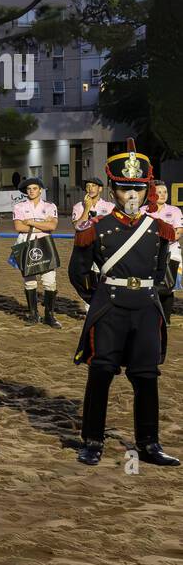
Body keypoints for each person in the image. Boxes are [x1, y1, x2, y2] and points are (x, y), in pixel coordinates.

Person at [69, 142, 179, 468]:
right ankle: (91, 441)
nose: (131, 195)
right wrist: (100, 298)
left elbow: (162, 273)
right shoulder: (96, 228)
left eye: (137, 188)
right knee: (101, 373)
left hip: (145, 309)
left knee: (146, 376)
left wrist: (146, 295)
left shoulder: (159, 230)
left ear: (147, 191)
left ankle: (149, 443)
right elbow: (78, 273)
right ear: (113, 190)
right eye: (124, 188)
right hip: (110, 309)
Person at [13, 177, 61, 327]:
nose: (31, 191)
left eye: (34, 188)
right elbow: (18, 227)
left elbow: (52, 226)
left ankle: (49, 315)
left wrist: (32, 222)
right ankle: (34, 314)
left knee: (50, 281)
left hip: (45, 244)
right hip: (26, 243)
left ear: (40, 190)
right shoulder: (19, 206)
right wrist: (42, 224)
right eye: (29, 189)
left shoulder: (50, 205)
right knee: (30, 281)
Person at [148, 180, 182, 324]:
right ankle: (150, 318)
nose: (162, 195)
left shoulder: (174, 211)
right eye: (158, 192)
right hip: (149, 254)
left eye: (165, 192)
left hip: (170, 253)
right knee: (149, 285)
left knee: (168, 287)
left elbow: (178, 233)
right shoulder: (145, 211)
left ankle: (166, 320)